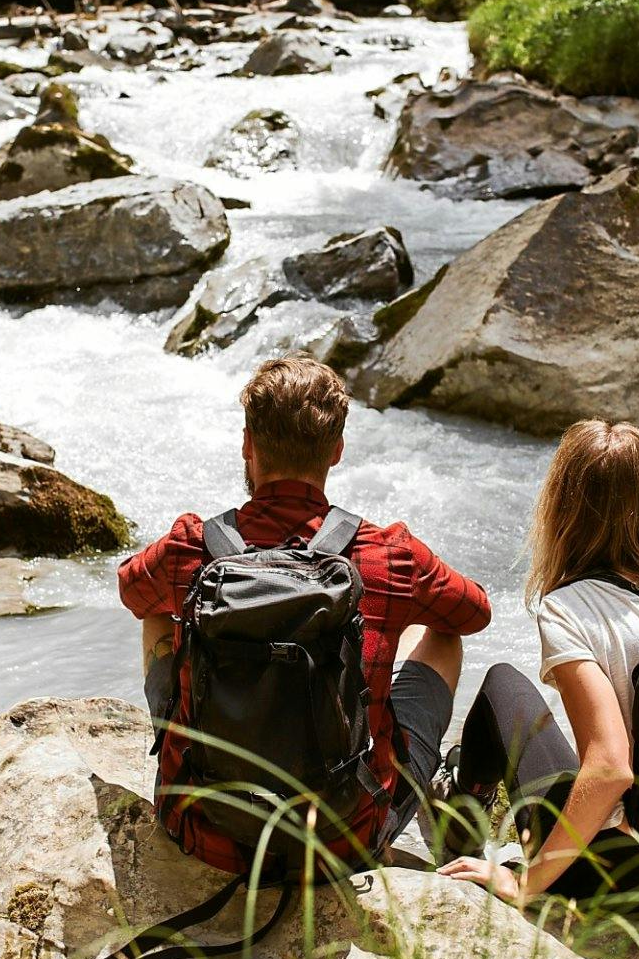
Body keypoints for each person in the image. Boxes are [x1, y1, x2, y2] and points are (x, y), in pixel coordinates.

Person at [118, 356, 493, 872]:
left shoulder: (190, 546)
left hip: (205, 830)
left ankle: (190, 748)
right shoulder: (389, 554)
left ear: (248, 444)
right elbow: (474, 613)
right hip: (343, 842)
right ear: (337, 452)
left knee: (160, 613)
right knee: (441, 636)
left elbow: (131, 592)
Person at [435, 419, 639, 906]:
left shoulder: (569, 608)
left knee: (501, 684)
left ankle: (458, 829)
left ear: (562, 507)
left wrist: (526, 881)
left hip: (621, 875)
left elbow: (610, 767)